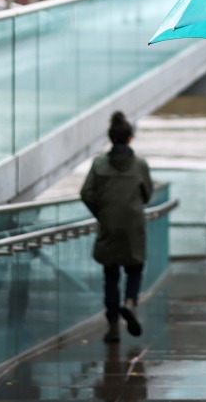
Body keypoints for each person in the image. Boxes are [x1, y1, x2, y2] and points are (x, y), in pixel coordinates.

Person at [81, 111, 154, 344]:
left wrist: (102, 213)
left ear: (111, 138)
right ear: (130, 138)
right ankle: (130, 303)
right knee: (135, 269)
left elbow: (86, 193)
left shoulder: (99, 164)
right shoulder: (140, 165)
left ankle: (112, 326)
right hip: (133, 227)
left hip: (109, 226)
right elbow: (148, 194)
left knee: (110, 276)